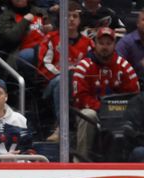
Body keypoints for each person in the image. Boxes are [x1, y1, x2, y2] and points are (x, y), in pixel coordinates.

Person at [72, 27, 139, 161]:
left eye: (108, 43)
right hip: (94, 113)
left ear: (114, 45)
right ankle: (80, 162)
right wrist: (104, 108)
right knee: (87, 114)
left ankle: (133, 161)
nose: (105, 47)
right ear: (95, 44)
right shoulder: (84, 66)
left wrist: (118, 110)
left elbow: (134, 96)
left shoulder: (124, 66)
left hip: (120, 113)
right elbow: (80, 98)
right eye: (101, 43)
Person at [37, 1, 92, 141]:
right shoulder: (51, 38)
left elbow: (91, 67)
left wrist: (75, 77)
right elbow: (43, 65)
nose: (71, 19)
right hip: (52, 84)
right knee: (63, 80)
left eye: (75, 16)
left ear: (80, 20)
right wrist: (66, 75)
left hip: (78, 84)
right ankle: (61, 127)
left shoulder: (88, 43)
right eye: (67, 16)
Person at [115, 10, 144, 85]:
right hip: (132, 87)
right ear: (137, 23)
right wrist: (140, 66)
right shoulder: (125, 43)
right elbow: (117, 69)